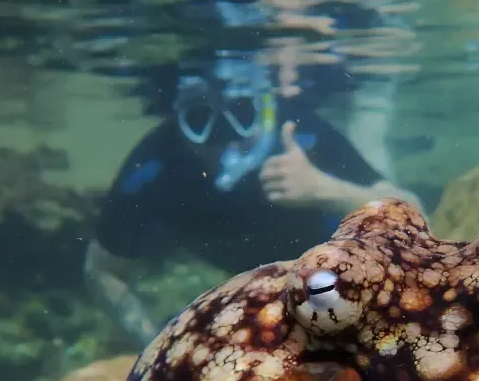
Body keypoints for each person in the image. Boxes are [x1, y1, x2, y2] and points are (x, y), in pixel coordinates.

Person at [85, 53, 423, 347]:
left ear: (267, 109)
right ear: (176, 119)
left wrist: (322, 188)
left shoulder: (303, 137)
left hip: (325, 260)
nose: (223, 138)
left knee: (373, 165)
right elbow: (102, 271)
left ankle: (371, 125)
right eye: (199, 119)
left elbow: (413, 214)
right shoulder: (156, 166)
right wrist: (155, 342)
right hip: (250, 269)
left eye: (242, 112)